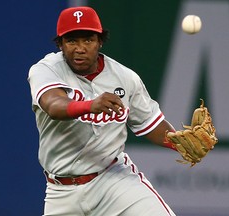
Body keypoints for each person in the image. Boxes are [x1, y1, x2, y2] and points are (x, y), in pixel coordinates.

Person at [28, 6, 178, 216]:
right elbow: (53, 105)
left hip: (114, 180)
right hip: (61, 191)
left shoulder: (125, 78)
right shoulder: (46, 70)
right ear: (60, 44)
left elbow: (150, 123)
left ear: (100, 41)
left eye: (88, 40)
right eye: (72, 40)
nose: (80, 48)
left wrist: (179, 141)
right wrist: (90, 105)